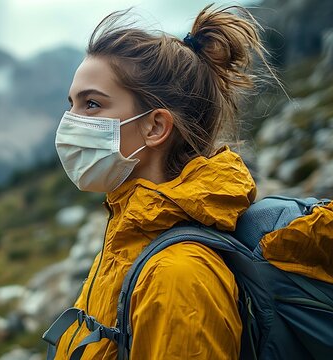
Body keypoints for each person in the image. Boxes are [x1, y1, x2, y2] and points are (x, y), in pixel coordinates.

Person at [51, 4, 275, 359]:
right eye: (72, 104)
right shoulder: (129, 236)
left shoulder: (178, 277)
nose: (69, 121)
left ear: (155, 126)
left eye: (91, 104)